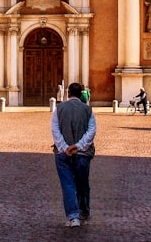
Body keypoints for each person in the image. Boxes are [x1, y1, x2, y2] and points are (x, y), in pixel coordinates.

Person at [52, 82, 97, 227]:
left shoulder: (58, 109)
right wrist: (78, 146)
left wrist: (65, 147)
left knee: (68, 185)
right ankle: (84, 211)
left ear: (68, 93)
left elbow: (55, 130)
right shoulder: (88, 110)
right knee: (82, 183)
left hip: (63, 154)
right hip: (82, 154)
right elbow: (91, 132)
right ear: (81, 93)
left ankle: (73, 217)